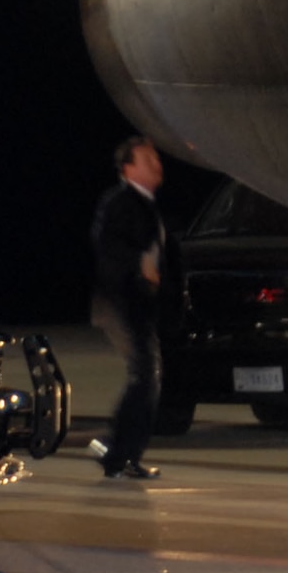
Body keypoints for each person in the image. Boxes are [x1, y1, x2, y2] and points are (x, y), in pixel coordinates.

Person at [88, 135, 166, 481]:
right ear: (128, 168)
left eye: (156, 158)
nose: (157, 164)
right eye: (148, 159)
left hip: (136, 303)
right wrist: (140, 265)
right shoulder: (119, 202)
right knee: (144, 374)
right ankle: (114, 451)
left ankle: (121, 454)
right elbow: (107, 249)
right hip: (118, 302)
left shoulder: (146, 203)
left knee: (148, 376)